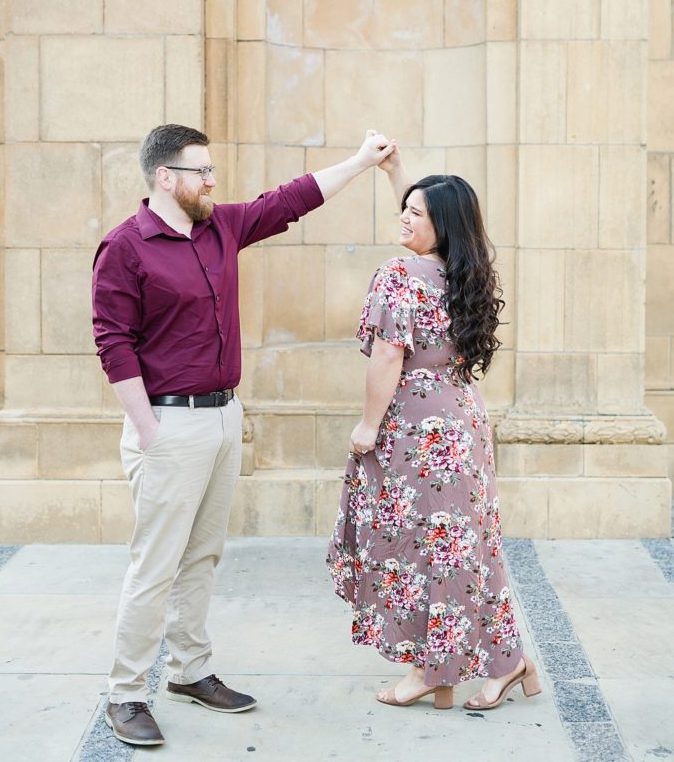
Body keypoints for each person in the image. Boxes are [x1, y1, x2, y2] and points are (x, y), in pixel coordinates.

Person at [92, 123, 395, 747]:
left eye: (211, 170)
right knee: (155, 564)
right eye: (200, 170)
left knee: (203, 555)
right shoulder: (125, 247)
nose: (212, 181)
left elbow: (289, 200)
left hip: (224, 416)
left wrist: (362, 162)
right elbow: (113, 342)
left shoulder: (220, 227)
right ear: (164, 177)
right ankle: (125, 693)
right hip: (168, 423)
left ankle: (189, 670)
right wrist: (148, 429)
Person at [327, 150, 542, 711]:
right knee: (465, 546)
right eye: (405, 207)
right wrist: (397, 175)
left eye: (414, 213)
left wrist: (368, 426)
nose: (403, 216)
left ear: (439, 225)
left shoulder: (399, 274)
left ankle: (434, 670)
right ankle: (502, 661)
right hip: (463, 423)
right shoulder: (466, 272)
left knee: (422, 548)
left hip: (416, 431)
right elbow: (434, 214)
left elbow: (388, 356)